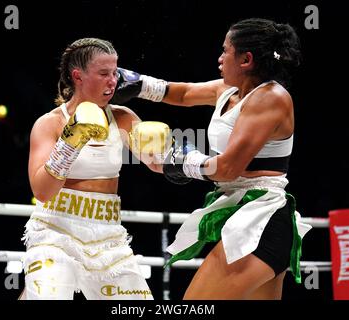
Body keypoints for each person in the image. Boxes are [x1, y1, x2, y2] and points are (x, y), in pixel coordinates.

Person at [111, 18, 312, 299]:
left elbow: (228, 168)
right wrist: (138, 83)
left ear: (246, 59)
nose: (219, 58)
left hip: (261, 220)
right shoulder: (228, 91)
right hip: (248, 218)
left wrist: (182, 160)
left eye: (225, 51)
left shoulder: (270, 98)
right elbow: (182, 94)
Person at [21, 37, 167, 300]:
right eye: (103, 74)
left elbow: (157, 164)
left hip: (108, 234)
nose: (113, 81)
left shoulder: (123, 118)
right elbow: (42, 191)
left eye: (115, 72)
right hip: (56, 230)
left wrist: (168, 151)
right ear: (78, 76)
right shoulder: (50, 124)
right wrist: (71, 142)